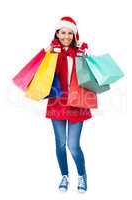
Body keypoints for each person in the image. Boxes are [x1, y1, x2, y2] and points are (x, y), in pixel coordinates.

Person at [45, 16, 92, 193]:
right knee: (60, 144)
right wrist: (49, 53)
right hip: (57, 102)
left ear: (74, 34)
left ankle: (82, 176)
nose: (66, 36)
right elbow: (43, 73)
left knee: (73, 145)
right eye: (63, 32)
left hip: (77, 103)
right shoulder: (52, 52)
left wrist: (85, 55)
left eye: (69, 33)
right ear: (57, 33)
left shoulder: (79, 52)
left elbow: (88, 76)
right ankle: (64, 175)